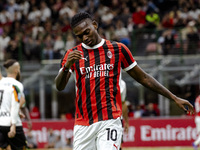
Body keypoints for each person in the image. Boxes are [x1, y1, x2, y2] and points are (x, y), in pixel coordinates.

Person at [55, 12, 194, 150]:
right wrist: (67, 66)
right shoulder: (72, 55)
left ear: (95, 25)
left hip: (109, 120)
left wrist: (174, 97)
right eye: (79, 36)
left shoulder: (118, 50)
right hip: (83, 124)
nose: (85, 38)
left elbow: (144, 78)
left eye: (87, 32)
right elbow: (59, 86)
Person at [0, 59, 28, 150]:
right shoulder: (17, 85)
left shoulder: (1, 82)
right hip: (11, 122)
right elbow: (16, 104)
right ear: (16, 70)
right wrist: (13, 126)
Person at [119, 79, 129, 150]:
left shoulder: (122, 83)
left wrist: (127, 122)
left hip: (117, 119)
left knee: (118, 145)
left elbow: (123, 103)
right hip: (96, 118)